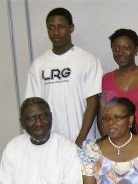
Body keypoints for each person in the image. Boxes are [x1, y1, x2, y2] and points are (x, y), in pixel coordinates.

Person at [24, 7, 103, 147]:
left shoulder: (88, 60)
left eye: (61, 27)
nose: (55, 32)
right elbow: (31, 105)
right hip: (48, 142)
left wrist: (81, 139)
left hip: (81, 141)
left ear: (71, 28)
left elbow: (93, 102)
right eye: (51, 27)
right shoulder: (38, 65)